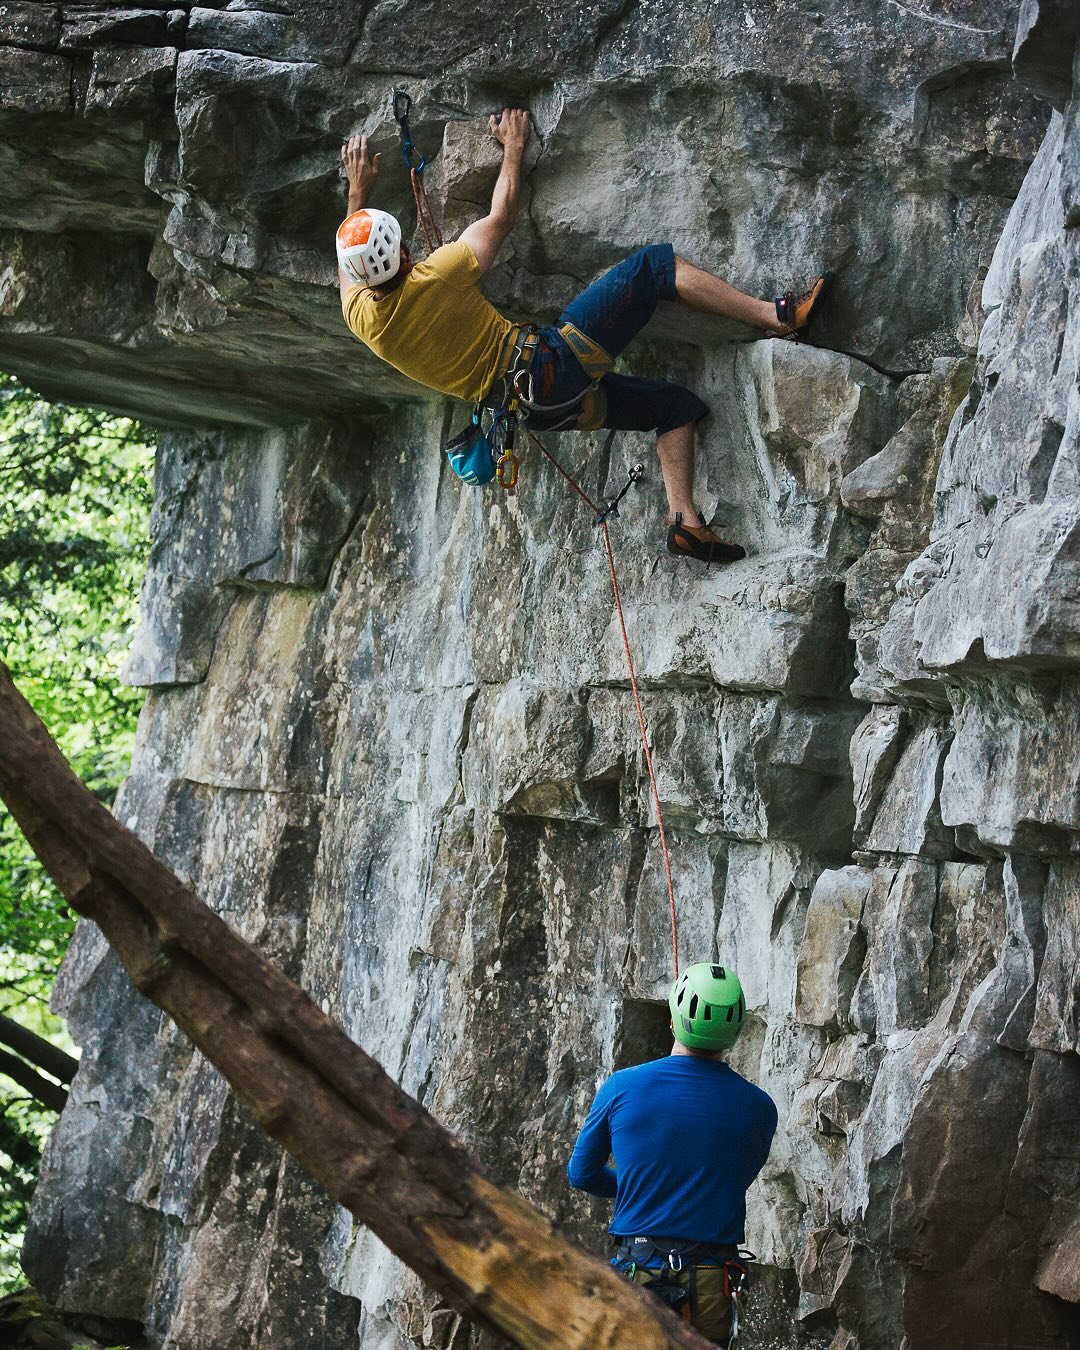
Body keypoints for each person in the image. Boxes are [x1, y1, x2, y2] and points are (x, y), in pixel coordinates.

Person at [337, 110, 826, 563]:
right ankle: (778, 317)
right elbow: (501, 217)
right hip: (553, 364)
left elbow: (349, 272)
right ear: (404, 254)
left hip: (538, 412)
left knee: (675, 408)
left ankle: (686, 523)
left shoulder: (363, 319)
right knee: (655, 266)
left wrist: (357, 196)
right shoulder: (440, 274)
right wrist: (513, 147)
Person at [567, 963, 777, 1346]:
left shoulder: (621, 1088)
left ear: (673, 1019)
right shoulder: (760, 1107)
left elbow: (582, 1173)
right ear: (736, 1030)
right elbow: (733, 1181)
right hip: (712, 1280)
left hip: (639, 1271)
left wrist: (640, 1188)